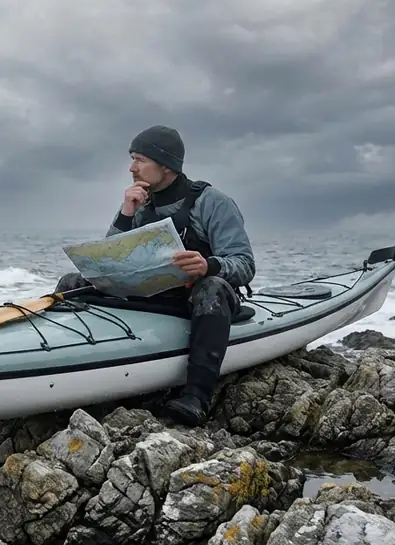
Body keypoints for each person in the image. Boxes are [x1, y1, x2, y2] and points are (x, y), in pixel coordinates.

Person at [53, 125, 256, 426]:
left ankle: (196, 396)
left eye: (140, 159)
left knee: (212, 288)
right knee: (72, 283)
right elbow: (107, 261)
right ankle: (63, 367)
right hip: (151, 297)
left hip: (197, 300)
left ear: (166, 165)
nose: (131, 168)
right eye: (132, 159)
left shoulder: (212, 202)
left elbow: (245, 263)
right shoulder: (138, 202)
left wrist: (208, 266)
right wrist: (125, 214)